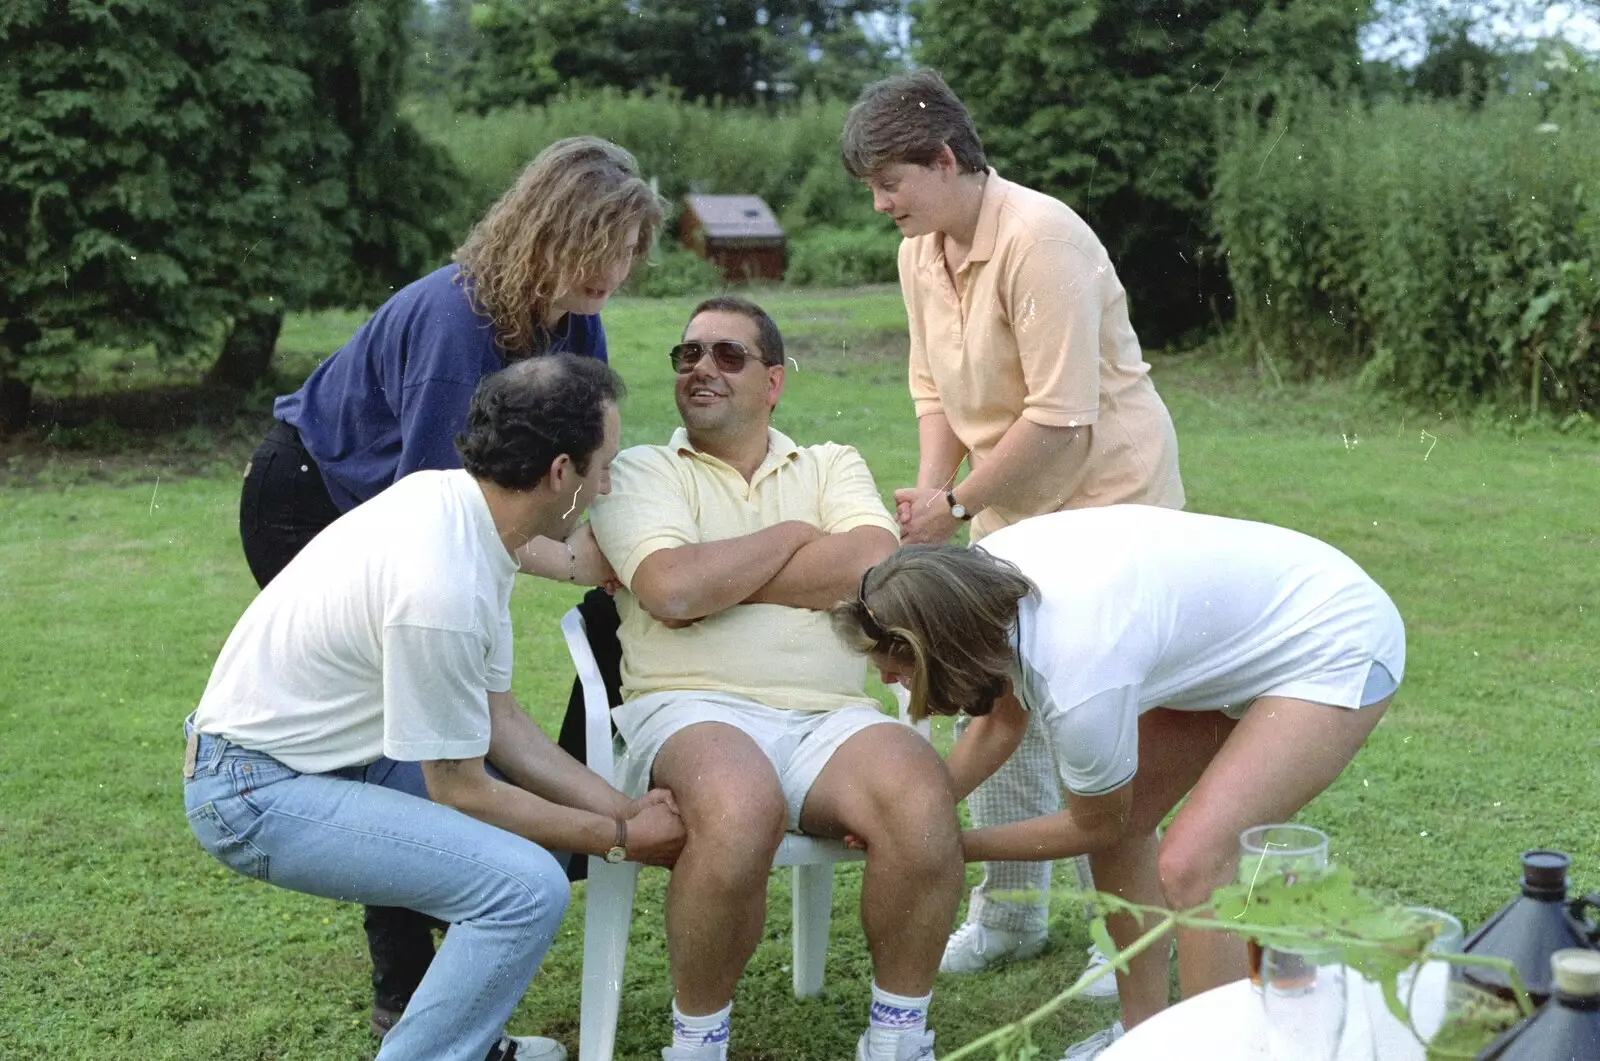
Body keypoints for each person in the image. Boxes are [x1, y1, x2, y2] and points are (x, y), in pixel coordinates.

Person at [236, 135, 660, 1033]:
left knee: (433, 728)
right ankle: (407, 988)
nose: (621, 268)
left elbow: (570, 465)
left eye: (631, 248)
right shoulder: (455, 324)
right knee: (403, 741)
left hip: (421, 515)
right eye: (608, 244)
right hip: (310, 497)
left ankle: (446, 931)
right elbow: (469, 507)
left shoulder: (573, 321)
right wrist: (585, 562)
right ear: (554, 231)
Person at [184, 356, 685, 1061]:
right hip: (253, 789)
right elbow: (461, 789)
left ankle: (460, 1039)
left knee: (520, 848)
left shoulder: (463, 511)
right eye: (605, 465)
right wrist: (621, 836)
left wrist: (623, 809)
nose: (610, 483)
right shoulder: (442, 587)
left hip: (324, 760)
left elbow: (499, 722)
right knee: (524, 886)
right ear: (561, 473)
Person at [833, 505, 1405, 1060]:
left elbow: (1100, 822)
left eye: (895, 664)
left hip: (1331, 640)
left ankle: (1219, 1052)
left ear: (939, 647)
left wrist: (947, 846)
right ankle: (1145, 1036)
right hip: (1241, 637)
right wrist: (915, 816)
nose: (885, 678)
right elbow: (1000, 723)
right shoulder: (978, 586)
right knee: (1133, 835)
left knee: (1192, 864)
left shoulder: (1078, 672)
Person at [840, 69, 1185, 986]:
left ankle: (1130, 950)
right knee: (996, 693)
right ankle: (1012, 915)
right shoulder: (923, 247)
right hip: (1005, 496)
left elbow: (1062, 416)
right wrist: (928, 495)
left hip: (1110, 498)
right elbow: (934, 385)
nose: (879, 204)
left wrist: (953, 507)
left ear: (944, 159)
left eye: (889, 183)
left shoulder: (1043, 236)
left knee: (1117, 726)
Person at [586, 296, 964, 1061]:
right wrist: (795, 540)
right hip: (689, 709)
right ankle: (696, 1044)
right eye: (688, 355)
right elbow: (668, 590)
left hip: (830, 716)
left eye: (729, 355)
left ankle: (896, 1040)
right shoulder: (641, 469)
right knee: (740, 802)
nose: (702, 368)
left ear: (774, 381)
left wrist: (709, 575)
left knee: (921, 793)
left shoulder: (831, 462)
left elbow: (869, 564)